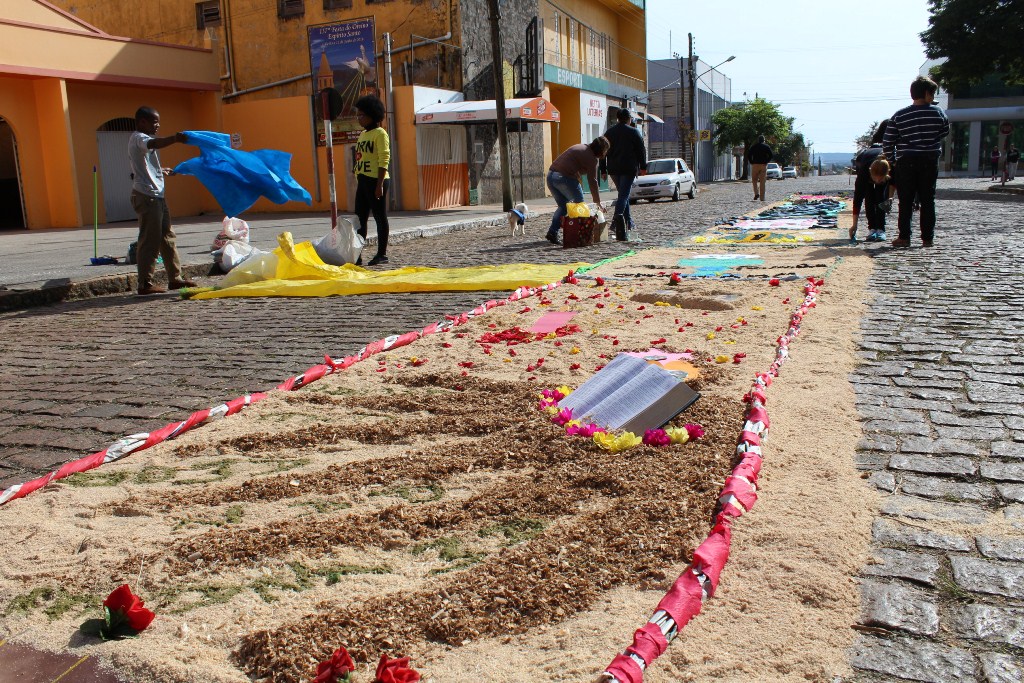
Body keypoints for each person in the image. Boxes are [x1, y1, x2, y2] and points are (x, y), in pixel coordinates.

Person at [128, 107, 196, 296]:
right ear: (142, 122)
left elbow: (143, 164)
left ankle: (175, 279)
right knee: (150, 240)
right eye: (154, 122)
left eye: (158, 122)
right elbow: (154, 143)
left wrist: (161, 170)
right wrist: (175, 138)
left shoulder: (143, 140)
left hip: (156, 195)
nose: (157, 125)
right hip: (147, 196)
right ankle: (144, 284)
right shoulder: (139, 138)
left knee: (167, 237)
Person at [883, 76, 949, 247]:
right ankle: (927, 238)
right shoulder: (938, 112)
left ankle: (904, 237)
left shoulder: (900, 115)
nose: (934, 97)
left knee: (905, 200)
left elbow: (888, 141)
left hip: (906, 161)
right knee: (928, 200)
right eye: (933, 94)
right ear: (927, 94)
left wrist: (892, 161)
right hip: (929, 160)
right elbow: (944, 132)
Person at [546, 136, 610, 245]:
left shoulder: (581, 147)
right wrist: (597, 201)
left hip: (551, 176)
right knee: (579, 204)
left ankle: (552, 232)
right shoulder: (592, 159)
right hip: (563, 177)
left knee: (563, 206)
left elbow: (572, 165)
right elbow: (592, 181)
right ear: (601, 150)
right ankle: (581, 233)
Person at [352, 95, 391, 266]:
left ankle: (381, 254)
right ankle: (357, 255)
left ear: (372, 115)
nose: (359, 118)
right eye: (358, 115)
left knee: (379, 217)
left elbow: (384, 158)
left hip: (377, 180)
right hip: (363, 180)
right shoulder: (362, 135)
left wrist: (379, 184)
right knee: (360, 218)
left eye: (362, 115)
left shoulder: (380, 133)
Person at [599, 108, 647, 241]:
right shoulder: (633, 132)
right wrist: (643, 167)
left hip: (614, 169)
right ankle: (616, 220)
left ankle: (629, 223)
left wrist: (603, 170)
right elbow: (641, 151)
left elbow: (602, 151)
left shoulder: (609, 132)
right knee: (624, 195)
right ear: (628, 119)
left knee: (623, 196)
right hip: (628, 168)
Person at [851, 120, 888, 242]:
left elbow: (894, 184)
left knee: (881, 197)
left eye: (880, 179)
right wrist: (854, 225)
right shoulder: (863, 173)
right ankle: (872, 228)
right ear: (870, 173)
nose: (877, 180)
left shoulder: (890, 165)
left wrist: (890, 198)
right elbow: (857, 199)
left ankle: (881, 229)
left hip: (883, 162)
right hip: (867, 163)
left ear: (886, 175)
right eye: (875, 178)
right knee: (869, 197)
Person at [746, 135, 773, 201]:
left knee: (754, 180)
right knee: (762, 181)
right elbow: (771, 155)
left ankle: (756, 193)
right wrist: (766, 161)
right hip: (763, 165)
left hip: (755, 165)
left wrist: (752, 162)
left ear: (758, 140)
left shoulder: (754, 147)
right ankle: (762, 198)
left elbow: (749, 155)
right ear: (764, 140)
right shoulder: (766, 147)